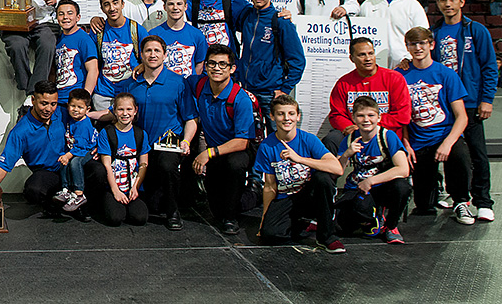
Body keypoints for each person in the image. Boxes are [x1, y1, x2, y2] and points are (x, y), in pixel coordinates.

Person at [430, 0, 498, 222]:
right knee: (453, 154)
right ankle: (458, 196)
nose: (447, 4)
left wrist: (486, 99)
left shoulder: (475, 30)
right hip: (445, 105)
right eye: (442, 0)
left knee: (478, 154)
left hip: (470, 103)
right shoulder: (434, 33)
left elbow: (489, 67)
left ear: (461, 2)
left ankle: (483, 201)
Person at [396, 27, 475, 224]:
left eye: (422, 43)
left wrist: (447, 143)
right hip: (418, 142)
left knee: (460, 155)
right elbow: (401, 116)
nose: (418, 47)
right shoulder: (399, 75)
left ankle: (461, 202)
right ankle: (431, 194)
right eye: (413, 44)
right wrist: (406, 145)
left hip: (444, 136)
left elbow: (462, 117)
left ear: (431, 44)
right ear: (407, 47)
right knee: (423, 206)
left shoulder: (446, 74)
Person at [255, 95, 345, 253]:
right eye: (281, 114)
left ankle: (327, 237)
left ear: (298, 116)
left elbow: (337, 168)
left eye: (290, 113)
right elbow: (270, 186)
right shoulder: (267, 146)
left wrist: (300, 159)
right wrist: (264, 218)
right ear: (272, 116)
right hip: (286, 197)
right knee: (271, 234)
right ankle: (304, 224)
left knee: (323, 178)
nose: (286, 118)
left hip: (309, 195)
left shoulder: (308, 140)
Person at [124, 36, 197, 230]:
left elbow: (190, 118)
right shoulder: (132, 84)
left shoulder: (178, 82)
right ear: (141, 55)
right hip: (141, 144)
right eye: (148, 51)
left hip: (168, 140)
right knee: (151, 205)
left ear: (165, 55)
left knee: (167, 165)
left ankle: (174, 212)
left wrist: (187, 141)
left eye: (157, 51)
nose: (152, 54)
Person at [188, 44, 256, 235]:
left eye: (222, 64)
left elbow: (243, 141)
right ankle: (236, 203)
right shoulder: (199, 84)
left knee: (235, 167)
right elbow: (175, 80)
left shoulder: (240, 99)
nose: (216, 68)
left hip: (237, 151)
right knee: (216, 209)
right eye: (212, 64)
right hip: (215, 152)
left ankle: (234, 215)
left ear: (232, 68)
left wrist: (207, 153)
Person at [0, 81, 76, 216]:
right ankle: (56, 204)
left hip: (72, 169)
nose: (49, 109)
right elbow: (4, 164)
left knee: (96, 170)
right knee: (33, 189)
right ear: (33, 100)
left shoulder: (64, 113)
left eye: (53, 104)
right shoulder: (20, 131)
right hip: (49, 175)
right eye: (44, 103)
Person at [336, 96, 411, 244]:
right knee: (343, 225)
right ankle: (372, 219)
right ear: (353, 118)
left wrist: (371, 181)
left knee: (402, 187)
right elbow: (336, 171)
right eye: (361, 116)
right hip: (357, 187)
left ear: (378, 117)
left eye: (371, 115)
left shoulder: (387, 136)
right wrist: (346, 154)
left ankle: (391, 226)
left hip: (380, 187)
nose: (366, 120)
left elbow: (403, 169)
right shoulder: (350, 139)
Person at [237, 0, 306, 123]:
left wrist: (284, 90)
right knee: (249, 137)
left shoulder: (281, 21)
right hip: (246, 89)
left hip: (270, 91)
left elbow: (298, 60)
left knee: (276, 136)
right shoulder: (246, 16)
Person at [325, 37, 412, 153]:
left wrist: (368, 125)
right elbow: (336, 114)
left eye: (370, 53)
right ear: (352, 58)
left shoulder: (394, 78)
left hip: (385, 135)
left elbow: (402, 116)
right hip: (354, 135)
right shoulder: (344, 83)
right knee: (331, 139)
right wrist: (349, 127)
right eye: (362, 55)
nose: (368, 59)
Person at [359, 0, 429, 68]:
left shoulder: (413, 5)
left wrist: (409, 57)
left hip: (405, 65)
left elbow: (423, 36)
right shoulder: (367, 5)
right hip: (374, 65)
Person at [91, 0, 149, 111]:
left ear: (123, 4)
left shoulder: (136, 29)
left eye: (115, 3)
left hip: (130, 90)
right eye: (106, 5)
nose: (112, 8)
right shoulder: (98, 31)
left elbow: (149, 57)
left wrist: (143, 65)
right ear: (102, 8)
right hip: (104, 93)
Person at [96, 93, 150, 227]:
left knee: (140, 218)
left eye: (129, 109)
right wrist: (115, 191)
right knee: (115, 218)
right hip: (114, 185)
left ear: (135, 110)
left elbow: (144, 163)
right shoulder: (107, 133)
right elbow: (107, 165)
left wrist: (136, 188)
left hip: (131, 185)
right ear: (114, 110)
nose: (125, 113)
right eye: (120, 109)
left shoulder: (141, 134)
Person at [55, 89, 98, 213]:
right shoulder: (72, 120)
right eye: (73, 106)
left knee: (74, 162)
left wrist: (68, 155)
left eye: (80, 107)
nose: (75, 109)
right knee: (64, 161)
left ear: (87, 109)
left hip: (86, 150)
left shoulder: (84, 125)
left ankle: (79, 194)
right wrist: (66, 156)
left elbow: (81, 146)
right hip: (76, 148)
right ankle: (66, 190)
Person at [150, 0, 207, 78]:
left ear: (185, 7)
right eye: (171, 4)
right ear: (164, 7)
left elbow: (199, 64)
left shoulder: (197, 35)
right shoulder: (154, 34)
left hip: (188, 87)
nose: (175, 7)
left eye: (179, 4)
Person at [54, 0, 98, 105]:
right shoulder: (57, 39)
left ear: (78, 17)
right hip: (59, 99)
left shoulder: (84, 39)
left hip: (76, 100)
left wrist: (84, 99)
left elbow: (93, 70)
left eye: (70, 13)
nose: (65, 17)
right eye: (61, 14)